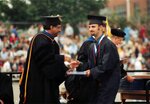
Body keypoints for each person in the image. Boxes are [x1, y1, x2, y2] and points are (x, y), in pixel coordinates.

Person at [19, 15, 74, 104]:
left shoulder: (51, 41)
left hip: (47, 83)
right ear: (51, 27)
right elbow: (45, 60)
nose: (60, 30)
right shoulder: (40, 39)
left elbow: (52, 65)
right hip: (38, 82)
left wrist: (67, 68)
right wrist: (63, 58)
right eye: (58, 27)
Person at [65, 15, 106, 104]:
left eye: (93, 27)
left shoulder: (104, 43)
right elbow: (82, 62)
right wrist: (82, 64)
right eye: (89, 27)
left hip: (101, 82)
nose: (91, 29)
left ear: (101, 28)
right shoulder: (88, 43)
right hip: (89, 82)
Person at [84, 28, 127, 104]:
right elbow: (105, 65)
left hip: (106, 82)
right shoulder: (109, 45)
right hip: (107, 82)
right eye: (120, 40)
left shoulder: (107, 45)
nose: (120, 42)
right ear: (115, 38)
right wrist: (92, 71)